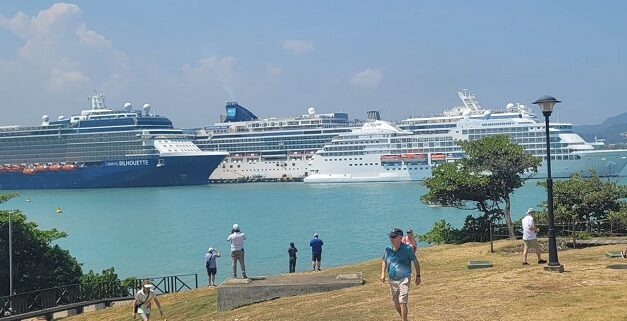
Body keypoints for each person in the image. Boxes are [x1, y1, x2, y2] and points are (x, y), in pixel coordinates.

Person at [380, 228, 421, 321]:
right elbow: (384, 261)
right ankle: (404, 318)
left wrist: (418, 276)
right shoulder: (388, 249)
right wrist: (382, 273)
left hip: (404, 278)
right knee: (396, 302)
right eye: (390, 237)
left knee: (402, 302)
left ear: (400, 238)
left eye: (393, 237)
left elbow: (415, 262)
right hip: (392, 279)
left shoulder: (407, 249)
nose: (391, 239)